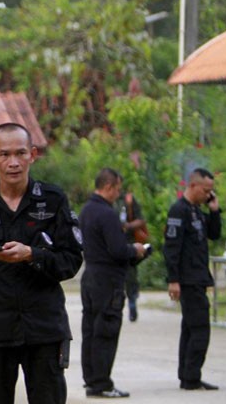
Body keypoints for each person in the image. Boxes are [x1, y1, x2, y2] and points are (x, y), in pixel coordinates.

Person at [0, 122, 83, 404]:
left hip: (45, 331)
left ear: (32, 155)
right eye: (4, 154)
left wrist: (32, 255)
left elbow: (70, 262)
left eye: (20, 153)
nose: (13, 163)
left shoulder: (53, 200)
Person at [79, 169, 145, 398]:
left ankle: (91, 379)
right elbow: (117, 250)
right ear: (108, 187)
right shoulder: (106, 213)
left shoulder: (86, 210)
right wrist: (135, 250)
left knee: (90, 329)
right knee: (106, 330)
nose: (118, 193)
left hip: (90, 277)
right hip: (108, 280)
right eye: (117, 188)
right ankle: (102, 383)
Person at [163, 168, 222, 391]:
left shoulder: (196, 211)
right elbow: (172, 248)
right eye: (206, 190)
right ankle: (191, 377)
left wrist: (214, 210)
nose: (208, 194)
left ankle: (187, 375)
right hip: (188, 280)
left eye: (211, 191)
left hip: (197, 278)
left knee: (190, 328)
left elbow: (214, 234)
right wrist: (173, 279)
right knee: (200, 329)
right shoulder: (179, 211)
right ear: (193, 185)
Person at [116, 192, 147, 322]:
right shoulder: (103, 201)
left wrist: (127, 226)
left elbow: (141, 220)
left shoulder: (128, 200)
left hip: (129, 245)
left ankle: (132, 305)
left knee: (130, 278)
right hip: (112, 247)